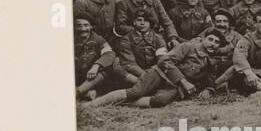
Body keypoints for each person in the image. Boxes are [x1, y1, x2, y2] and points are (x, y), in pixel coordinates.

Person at [86, 26, 229, 108]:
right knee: (136, 92)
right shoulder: (188, 47)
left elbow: (210, 78)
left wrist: (209, 89)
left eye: (217, 43)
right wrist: (184, 81)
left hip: (175, 87)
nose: (212, 44)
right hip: (160, 74)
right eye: (210, 39)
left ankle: (122, 104)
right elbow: (165, 61)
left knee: (160, 101)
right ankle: (94, 105)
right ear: (203, 39)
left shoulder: (211, 61)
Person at [73, 14, 121, 100]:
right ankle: (85, 93)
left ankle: (79, 92)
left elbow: (109, 53)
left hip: (92, 75)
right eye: (78, 25)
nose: (83, 29)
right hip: (76, 74)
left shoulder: (98, 39)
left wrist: (96, 66)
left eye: (86, 25)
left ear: (91, 27)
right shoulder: (69, 38)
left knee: (111, 64)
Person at [112, 11, 168, 84]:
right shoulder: (126, 39)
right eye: (139, 20)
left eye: (146, 21)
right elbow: (129, 63)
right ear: (134, 22)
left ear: (150, 23)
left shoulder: (158, 38)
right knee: (118, 68)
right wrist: (146, 76)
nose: (142, 23)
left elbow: (162, 58)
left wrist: (155, 71)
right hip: (136, 73)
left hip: (155, 72)